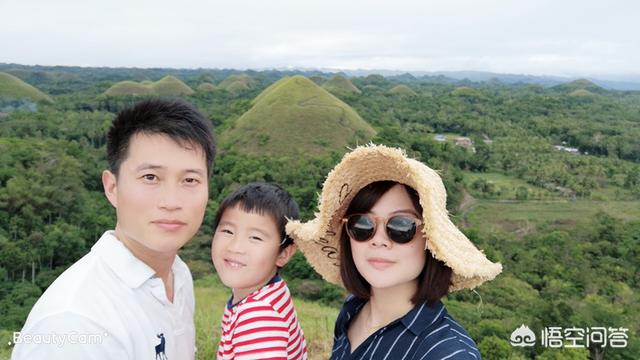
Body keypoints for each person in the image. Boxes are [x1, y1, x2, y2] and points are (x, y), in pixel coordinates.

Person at [12, 98, 216, 360]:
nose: (172, 202)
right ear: (112, 187)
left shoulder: (179, 275)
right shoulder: (75, 322)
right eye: (150, 177)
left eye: (190, 180)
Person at [286, 144, 502, 360]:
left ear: (431, 241)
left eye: (401, 226)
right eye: (362, 225)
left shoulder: (446, 352)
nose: (379, 241)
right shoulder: (352, 311)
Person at [211, 182, 308, 360]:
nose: (235, 246)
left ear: (283, 253)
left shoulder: (259, 315)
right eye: (227, 231)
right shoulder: (269, 292)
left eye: (255, 237)